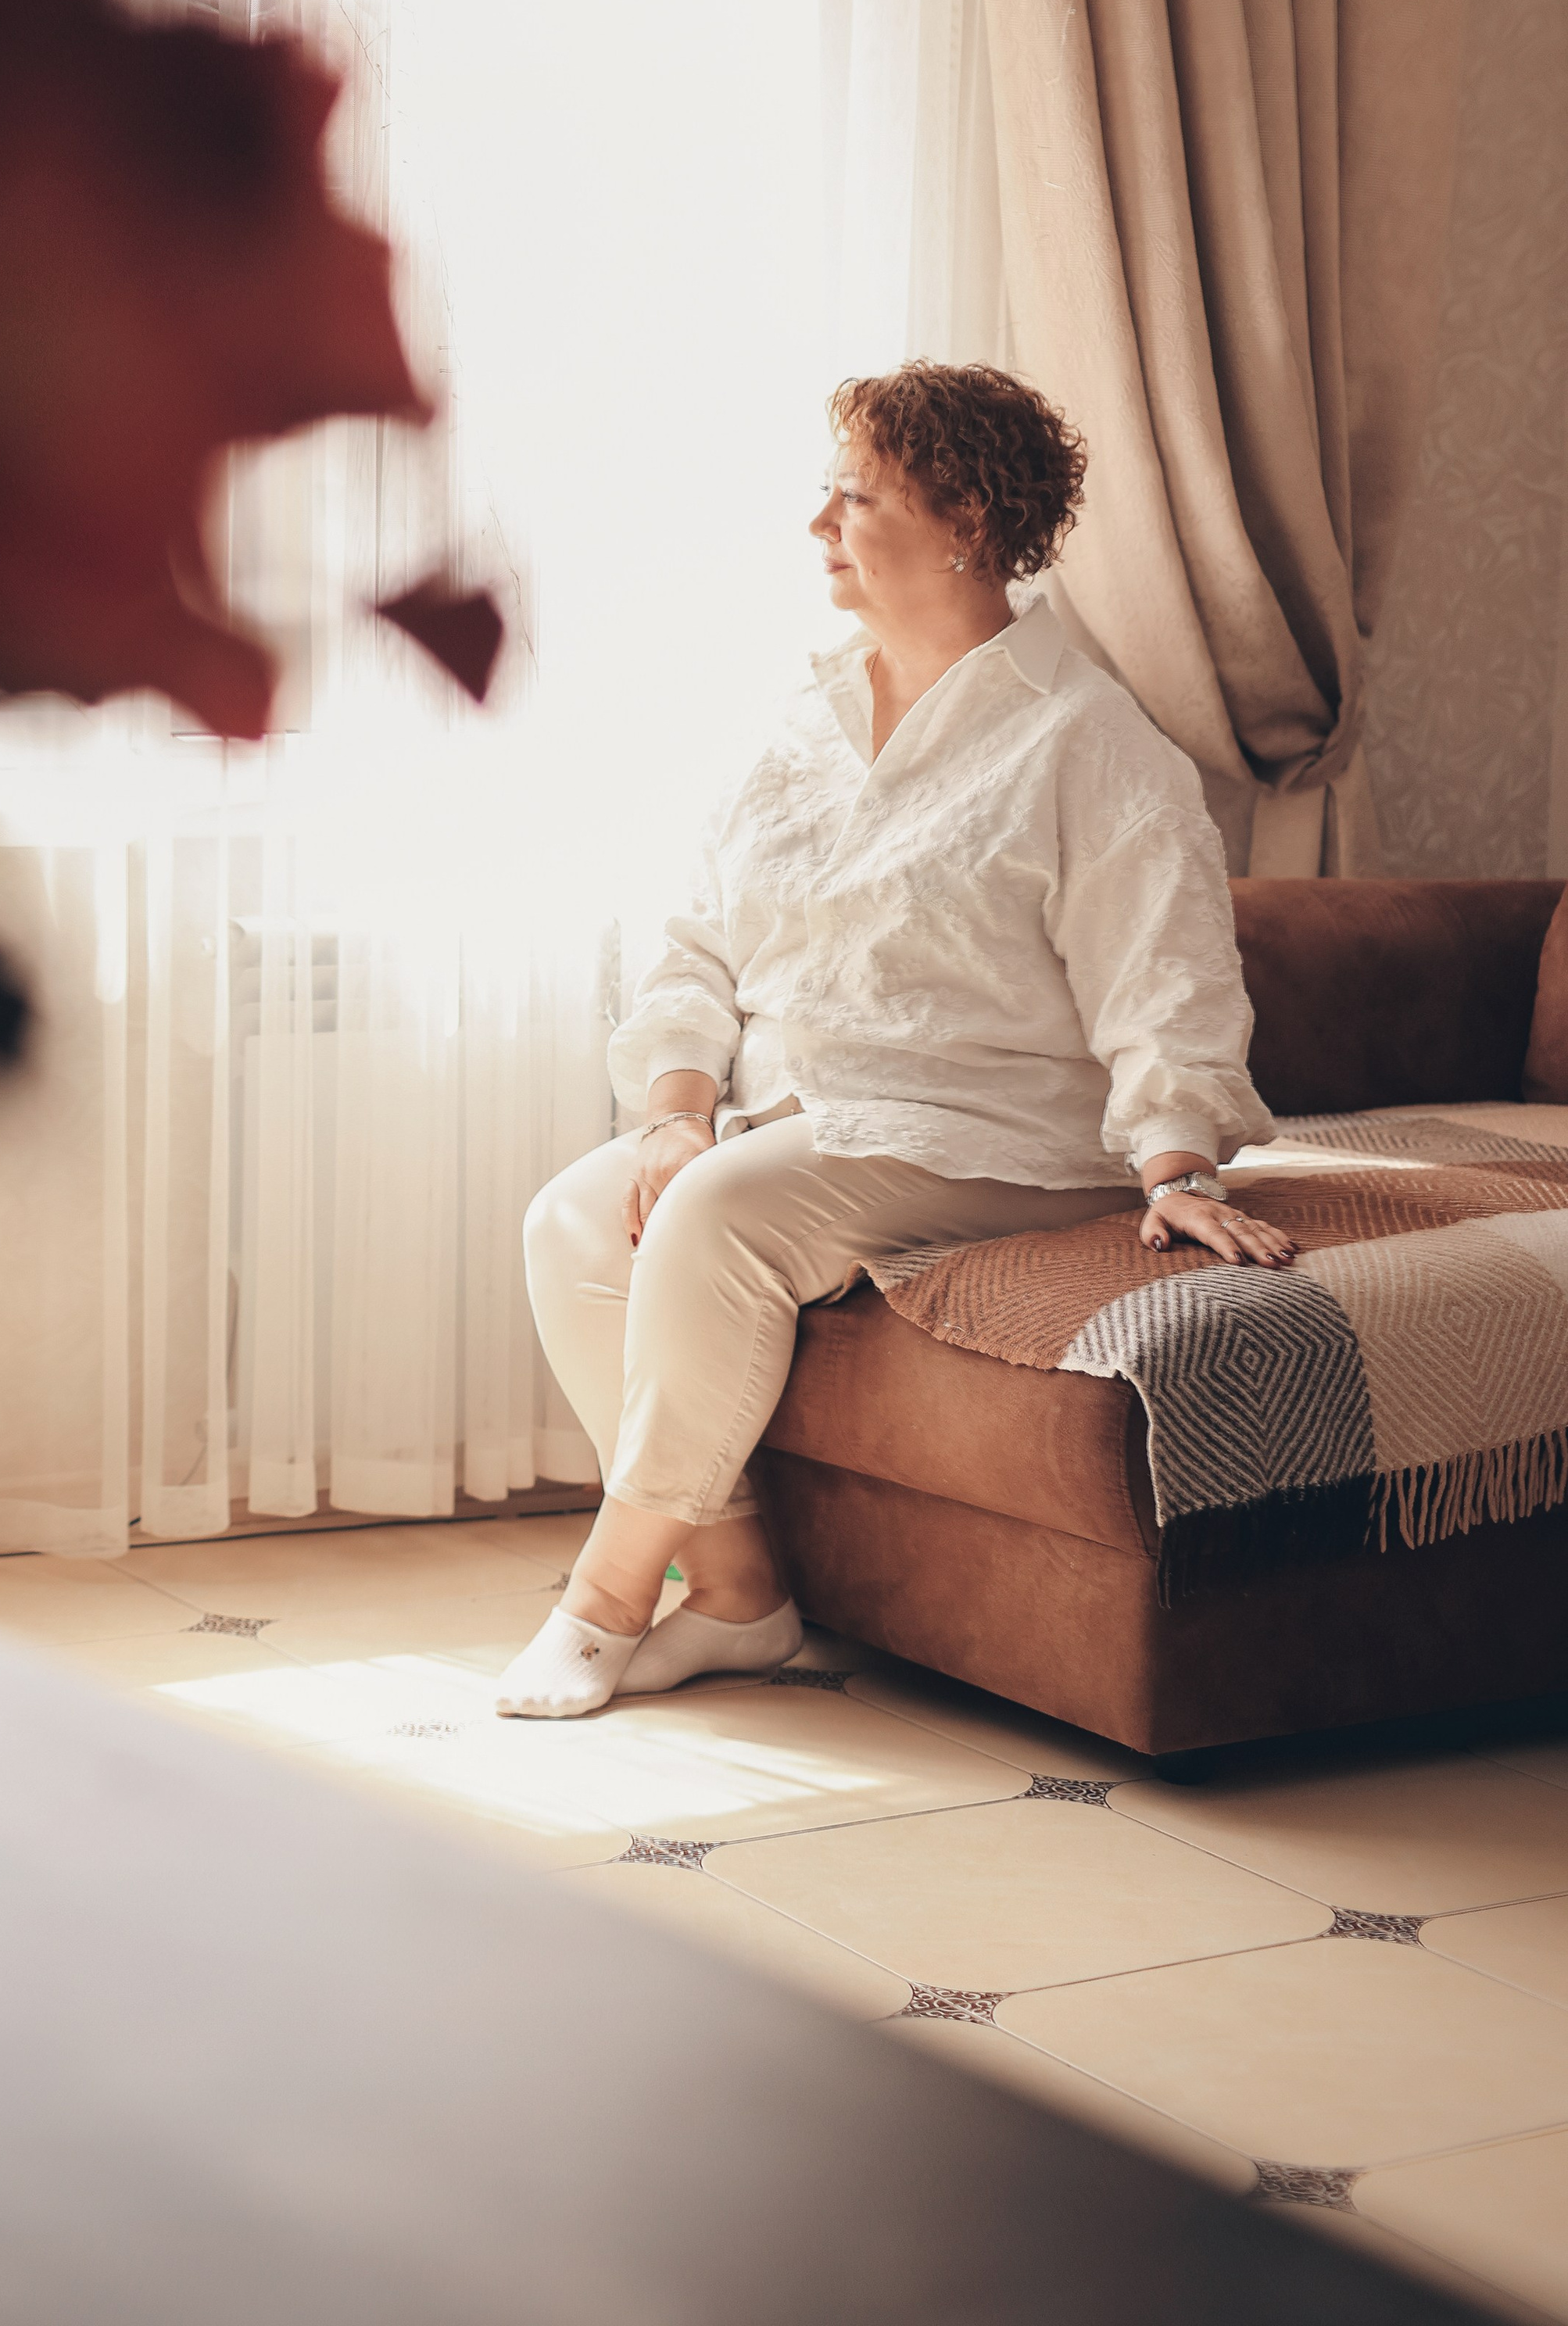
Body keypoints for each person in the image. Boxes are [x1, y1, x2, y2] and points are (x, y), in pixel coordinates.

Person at [499, 362, 1290, 1721]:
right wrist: (675, 1110)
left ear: (966, 518)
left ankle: (608, 1598)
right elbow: (692, 941)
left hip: (1005, 1135)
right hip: (806, 1114)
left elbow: (1164, 977)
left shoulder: (1088, 741)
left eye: (851, 497)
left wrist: (1177, 1170)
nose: (817, 525)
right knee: (576, 1222)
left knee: (716, 1219)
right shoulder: (798, 726)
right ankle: (743, 1601)